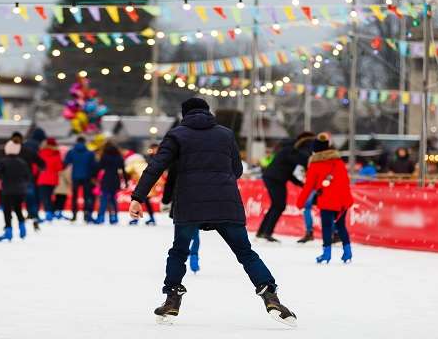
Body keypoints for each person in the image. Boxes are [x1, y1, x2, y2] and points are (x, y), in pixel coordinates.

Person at [129, 98, 296, 327]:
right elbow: (237, 169)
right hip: (225, 203)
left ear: (184, 114)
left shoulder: (177, 135)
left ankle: (171, 300)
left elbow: (156, 166)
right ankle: (270, 296)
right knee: (246, 253)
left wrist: (138, 197)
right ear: (208, 112)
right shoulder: (225, 134)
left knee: (179, 251)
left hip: (190, 204)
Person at [296, 133, 354, 264]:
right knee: (341, 226)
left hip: (327, 199)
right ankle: (348, 252)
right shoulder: (339, 162)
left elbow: (308, 186)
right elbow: (346, 181)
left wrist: (300, 202)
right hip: (343, 199)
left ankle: (326, 254)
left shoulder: (315, 164)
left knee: (327, 227)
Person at [256, 132, 316, 242]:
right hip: (275, 179)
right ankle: (266, 233)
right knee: (279, 206)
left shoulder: (291, 149)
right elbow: (302, 160)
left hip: (273, 178)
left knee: (276, 206)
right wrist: (310, 162)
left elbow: (289, 172)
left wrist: (301, 184)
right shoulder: (292, 150)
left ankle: (262, 232)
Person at [0, 140, 31, 242]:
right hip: (20, 190)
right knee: (18, 209)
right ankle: (22, 228)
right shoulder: (22, 162)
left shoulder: (3, 162)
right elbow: (28, 177)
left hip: (7, 190)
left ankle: (8, 231)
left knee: (7, 210)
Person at [11, 131, 46, 224]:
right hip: (29, 175)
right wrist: (42, 167)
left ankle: (22, 215)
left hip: (16, 176)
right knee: (32, 196)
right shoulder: (33, 148)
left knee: (18, 196)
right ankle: (34, 214)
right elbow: (40, 161)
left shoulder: (17, 149)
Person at [64, 136, 97, 222]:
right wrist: (93, 176)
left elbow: (66, 163)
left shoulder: (71, 152)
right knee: (87, 197)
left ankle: (74, 214)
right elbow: (94, 166)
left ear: (76, 142)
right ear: (84, 142)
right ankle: (86, 214)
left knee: (74, 197)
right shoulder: (90, 153)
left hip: (75, 177)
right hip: (87, 177)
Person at [95, 142, 128, 224]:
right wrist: (126, 182)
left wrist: (94, 177)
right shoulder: (119, 157)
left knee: (104, 199)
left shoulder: (104, 157)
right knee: (113, 199)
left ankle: (101, 217)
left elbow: (99, 168)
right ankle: (114, 217)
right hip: (115, 179)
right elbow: (123, 170)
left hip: (106, 179)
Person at [37, 138, 63, 221]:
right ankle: (50, 212)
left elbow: (37, 166)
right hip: (53, 179)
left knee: (44, 197)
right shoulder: (57, 154)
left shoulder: (41, 152)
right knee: (49, 196)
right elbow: (59, 168)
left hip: (42, 178)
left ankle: (48, 213)